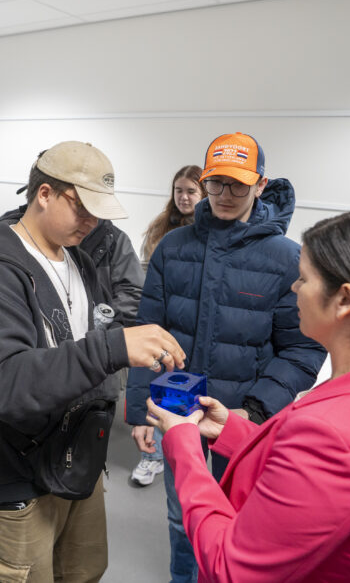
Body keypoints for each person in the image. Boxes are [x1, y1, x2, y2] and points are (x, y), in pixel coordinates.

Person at [147, 206, 350, 582]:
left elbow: (230, 568)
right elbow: (318, 485)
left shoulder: (331, 434)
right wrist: (232, 433)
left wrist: (183, 445)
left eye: (304, 279)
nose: (294, 288)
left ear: (345, 300)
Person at [0, 140, 186, 582]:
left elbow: (78, 342)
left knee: (83, 570)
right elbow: (5, 384)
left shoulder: (76, 255)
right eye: (82, 208)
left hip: (77, 460)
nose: (93, 222)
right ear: (45, 194)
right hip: (19, 475)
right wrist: (114, 348)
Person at [126, 132, 327, 582]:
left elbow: (302, 349)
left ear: (260, 183)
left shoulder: (286, 258)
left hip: (245, 419)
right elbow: (147, 335)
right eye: (216, 184)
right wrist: (141, 409)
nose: (226, 196)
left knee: (240, 523)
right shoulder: (173, 249)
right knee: (183, 521)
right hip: (178, 412)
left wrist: (254, 410)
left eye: (238, 185)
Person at [130, 165, 205, 487]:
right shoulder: (160, 228)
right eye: (180, 191)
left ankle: (170, 453)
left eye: (191, 191)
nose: (184, 197)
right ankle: (152, 457)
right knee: (158, 391)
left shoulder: (206, 233)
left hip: (191, 322)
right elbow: (147, 272)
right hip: (162, 317)